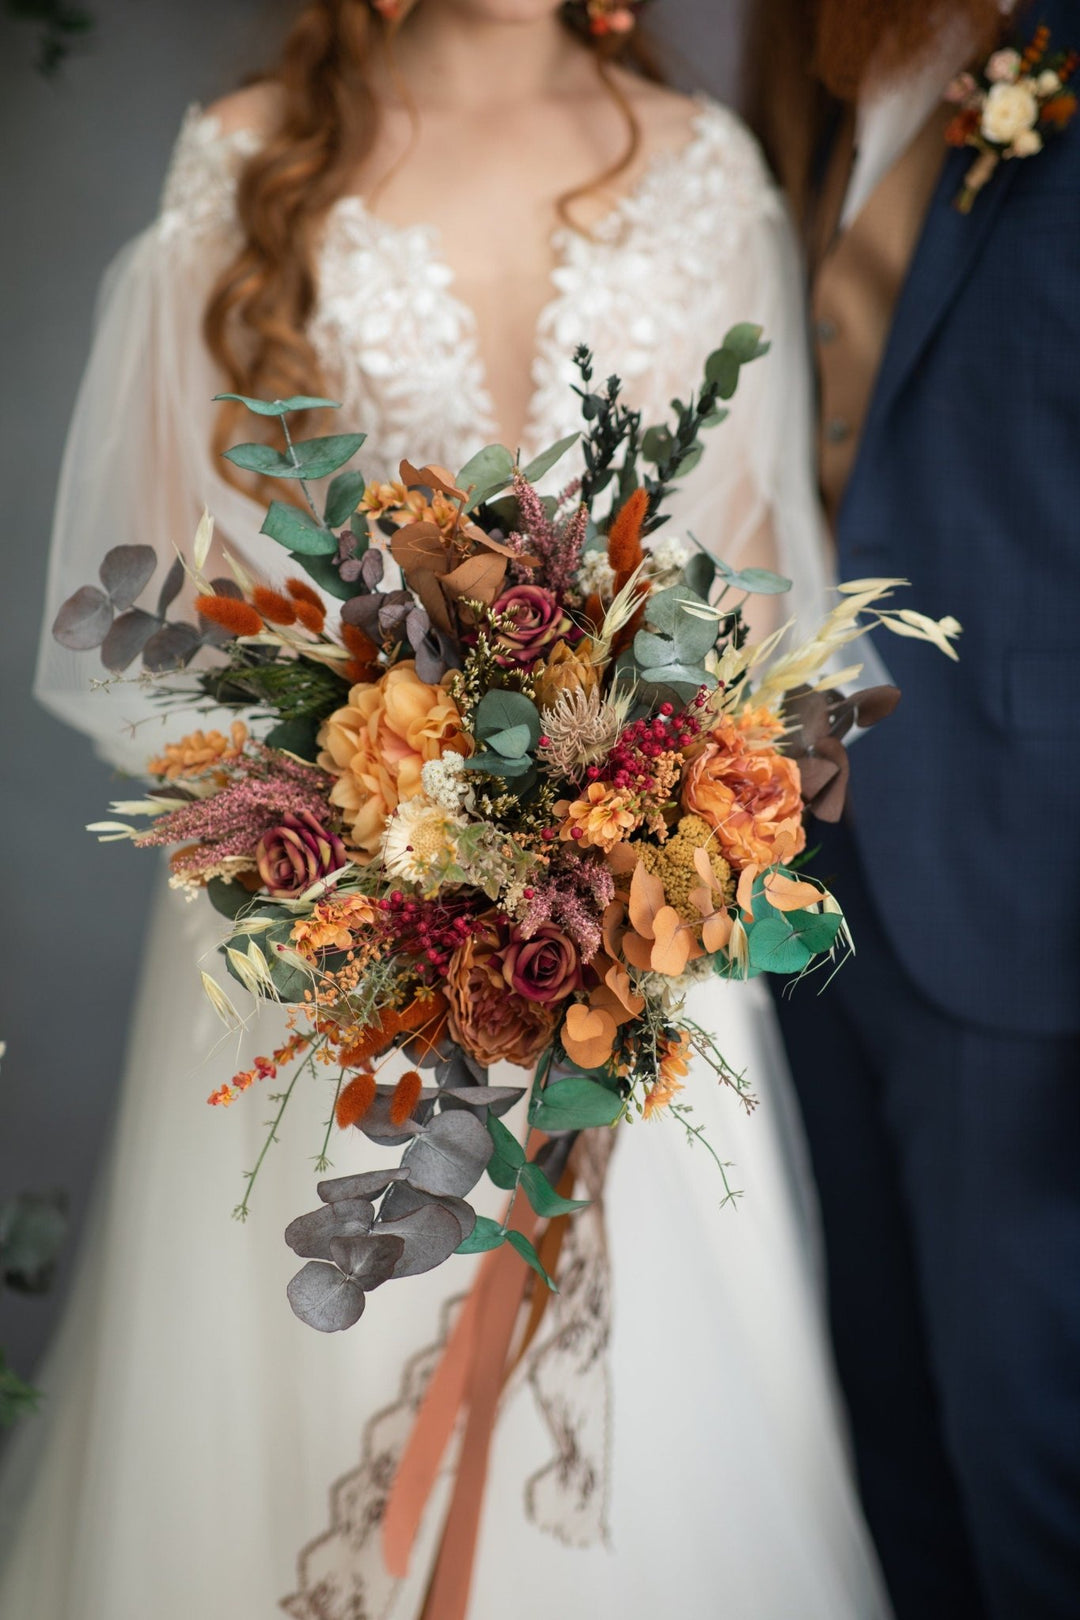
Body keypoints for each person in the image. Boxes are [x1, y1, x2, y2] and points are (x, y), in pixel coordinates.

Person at [3, 2, 889, 1616]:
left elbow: (758, 599)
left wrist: (607, 837)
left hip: (628, 943)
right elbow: (146, 595)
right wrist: (362, 831)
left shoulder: (708, 173)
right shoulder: (252, 158)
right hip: (310, 950)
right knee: (275, 1421)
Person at [745, 1, 1080, 1616]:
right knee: (886, 1431)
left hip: (1032, 884)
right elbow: (835, 487)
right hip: (806, 869)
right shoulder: (810, 69)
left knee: (1032, 1452)